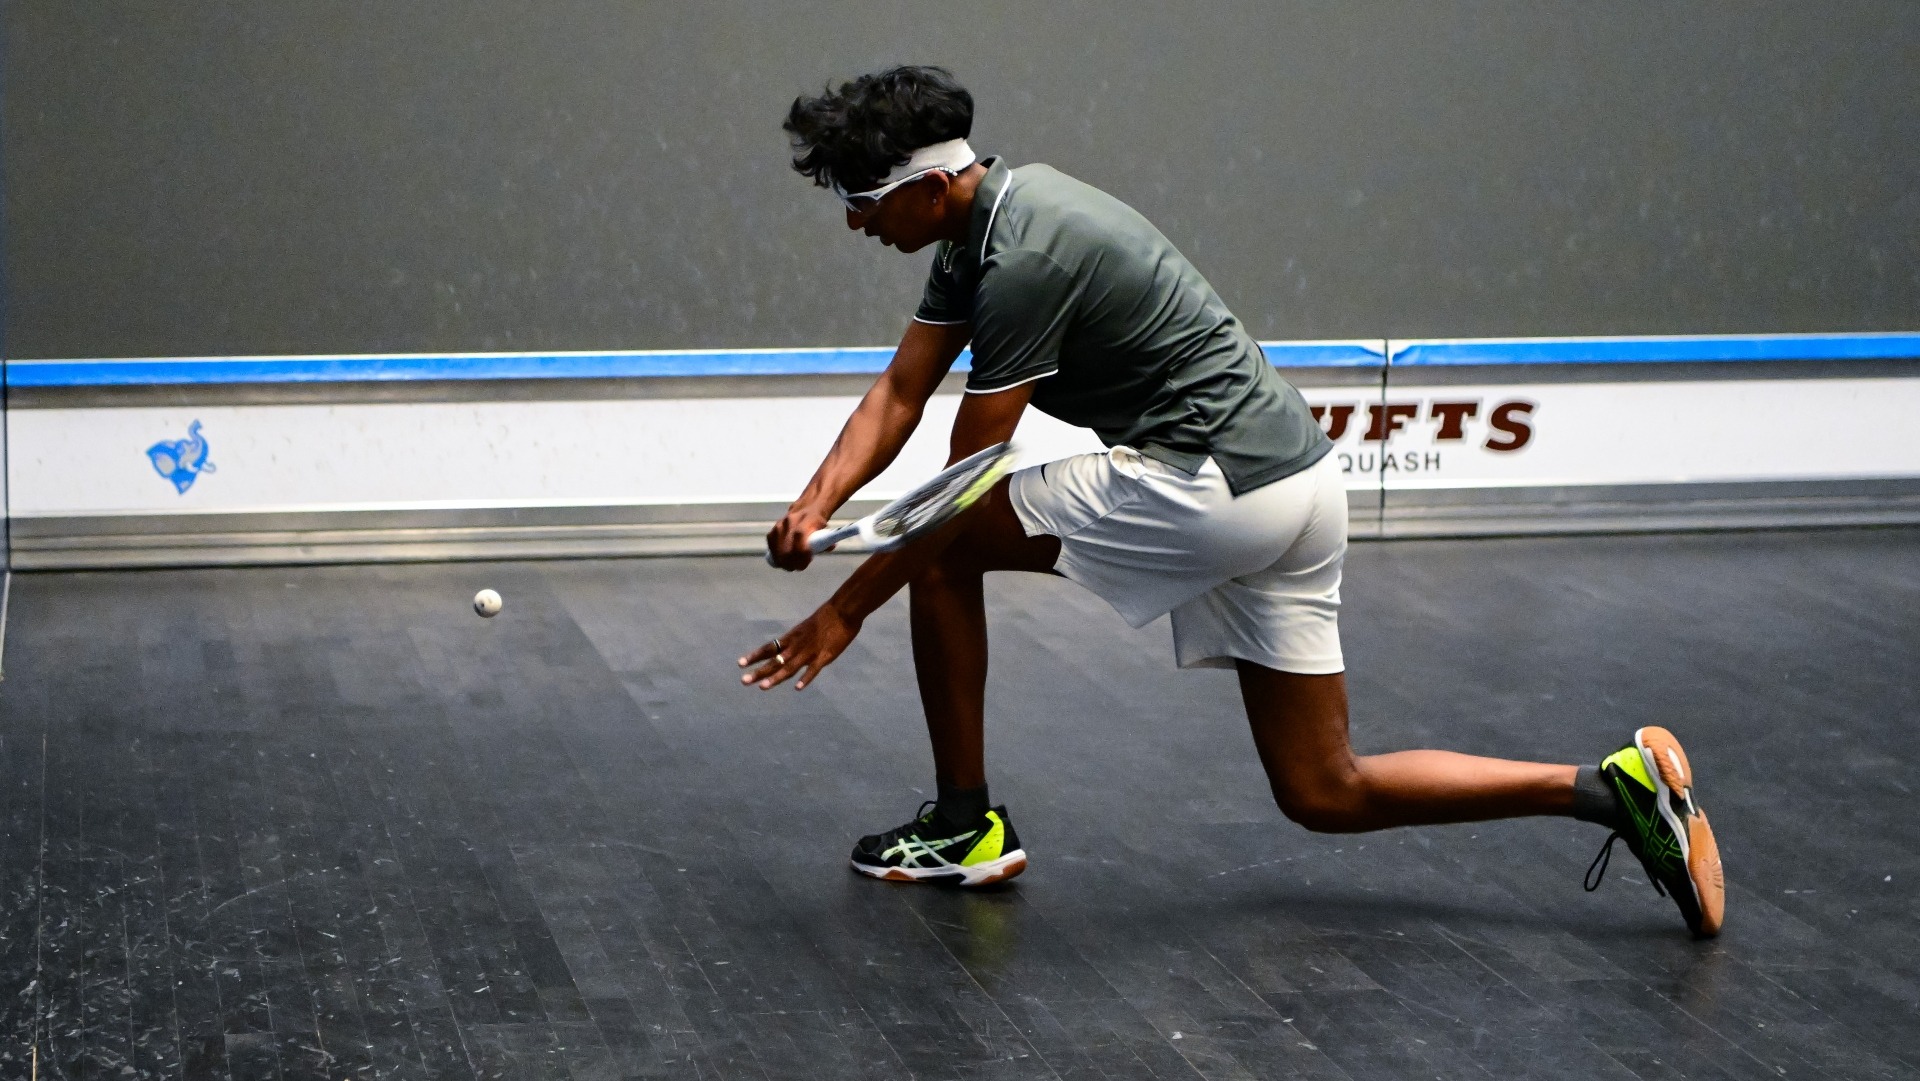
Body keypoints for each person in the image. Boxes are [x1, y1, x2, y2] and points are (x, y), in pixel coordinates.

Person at [738, 65, 1724, 937]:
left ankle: (963, 822)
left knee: (947, 549)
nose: (858, 222)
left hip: (1212, 484)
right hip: (1296, 484)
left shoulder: (1026, 253)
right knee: (1323, 788)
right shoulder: (981, 227)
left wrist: (842, 609)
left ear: (932, 180)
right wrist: (813, 504)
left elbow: (964, 484)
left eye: (865, 198)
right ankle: (1611, 791)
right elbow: (901, 391)